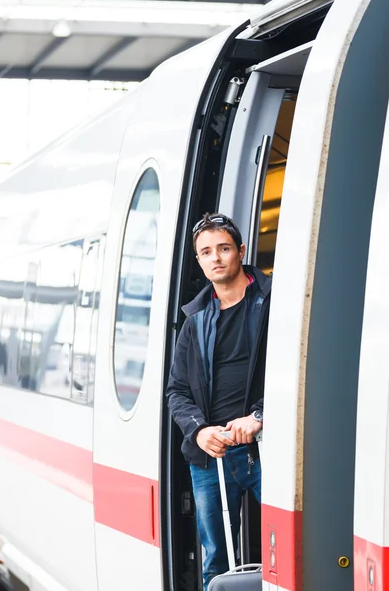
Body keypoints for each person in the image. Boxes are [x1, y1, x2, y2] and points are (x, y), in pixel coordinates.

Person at [166, 213, 271, 590]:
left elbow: (301, 372)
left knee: (285, 550)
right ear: (199, 261)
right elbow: (176, 391)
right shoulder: (194, 320)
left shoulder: (274, 303)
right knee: (216, 564)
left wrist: (261, 416)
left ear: (240, 252)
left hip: (266, 449)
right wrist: (199, 432)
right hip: (213, 458)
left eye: (224, 248)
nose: (216, 258)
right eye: (206, 252)